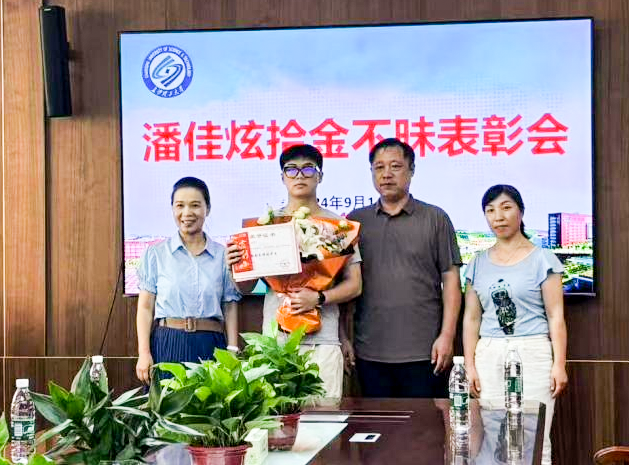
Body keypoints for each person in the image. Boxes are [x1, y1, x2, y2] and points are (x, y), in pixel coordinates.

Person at [462, 183, 568, 465]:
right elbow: (471, 318)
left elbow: (556, 316)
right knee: (495, 442)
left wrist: (559, 363)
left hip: (533, 351)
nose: (499, 217)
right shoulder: (477, 262)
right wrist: (470, 364)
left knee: (536, 443)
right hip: (490, 353)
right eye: (491, 210)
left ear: (520, 211)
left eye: (506, 207)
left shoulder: (543, 259)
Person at [226, 144, 362, 399]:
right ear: (282, 177)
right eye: (291, 169)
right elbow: (244, 287)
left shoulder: (339, 227)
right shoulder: (265, 226)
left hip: (323, 341)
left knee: (324, 419)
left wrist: (318, 297)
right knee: (276, 420)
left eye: (308, 169)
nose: (300, 175)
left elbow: (355, 284)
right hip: (274, 342)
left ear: (320, 176)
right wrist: (236, 267)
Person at [345, 138, 462, 398]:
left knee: (425, 423)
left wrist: (447, 335)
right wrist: (344, 337)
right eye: (379, 167)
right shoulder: (355, 222)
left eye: (395, 166)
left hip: (425, 351)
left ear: (411, 170)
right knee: (377, 424)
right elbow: (345, 285)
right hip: (370, 351)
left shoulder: (435, 218)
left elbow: (451, 279)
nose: (386, 174)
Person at [135, 177, 241, 385]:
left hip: (211, 344)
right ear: (172, 209)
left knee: (211, 404)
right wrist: (144, 353)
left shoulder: (223, 255)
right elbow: (145, 308)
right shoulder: (156, 254)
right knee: (168, 403)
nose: (187, 213)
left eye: (195, 205)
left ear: (207, 209)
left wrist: (232, 349)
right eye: (180, 205)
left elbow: (230, 305)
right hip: (168, 342)